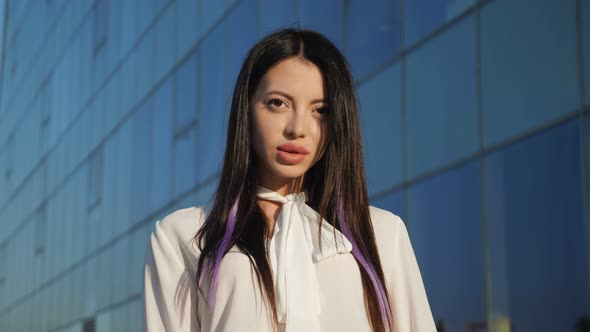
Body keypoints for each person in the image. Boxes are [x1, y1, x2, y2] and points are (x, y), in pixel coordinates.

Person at [143, 28, 436, 332]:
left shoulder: (382, 233)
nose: (298, 128)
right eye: (278, 103)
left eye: (321, 110)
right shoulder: (184, 235)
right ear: (246, 110)